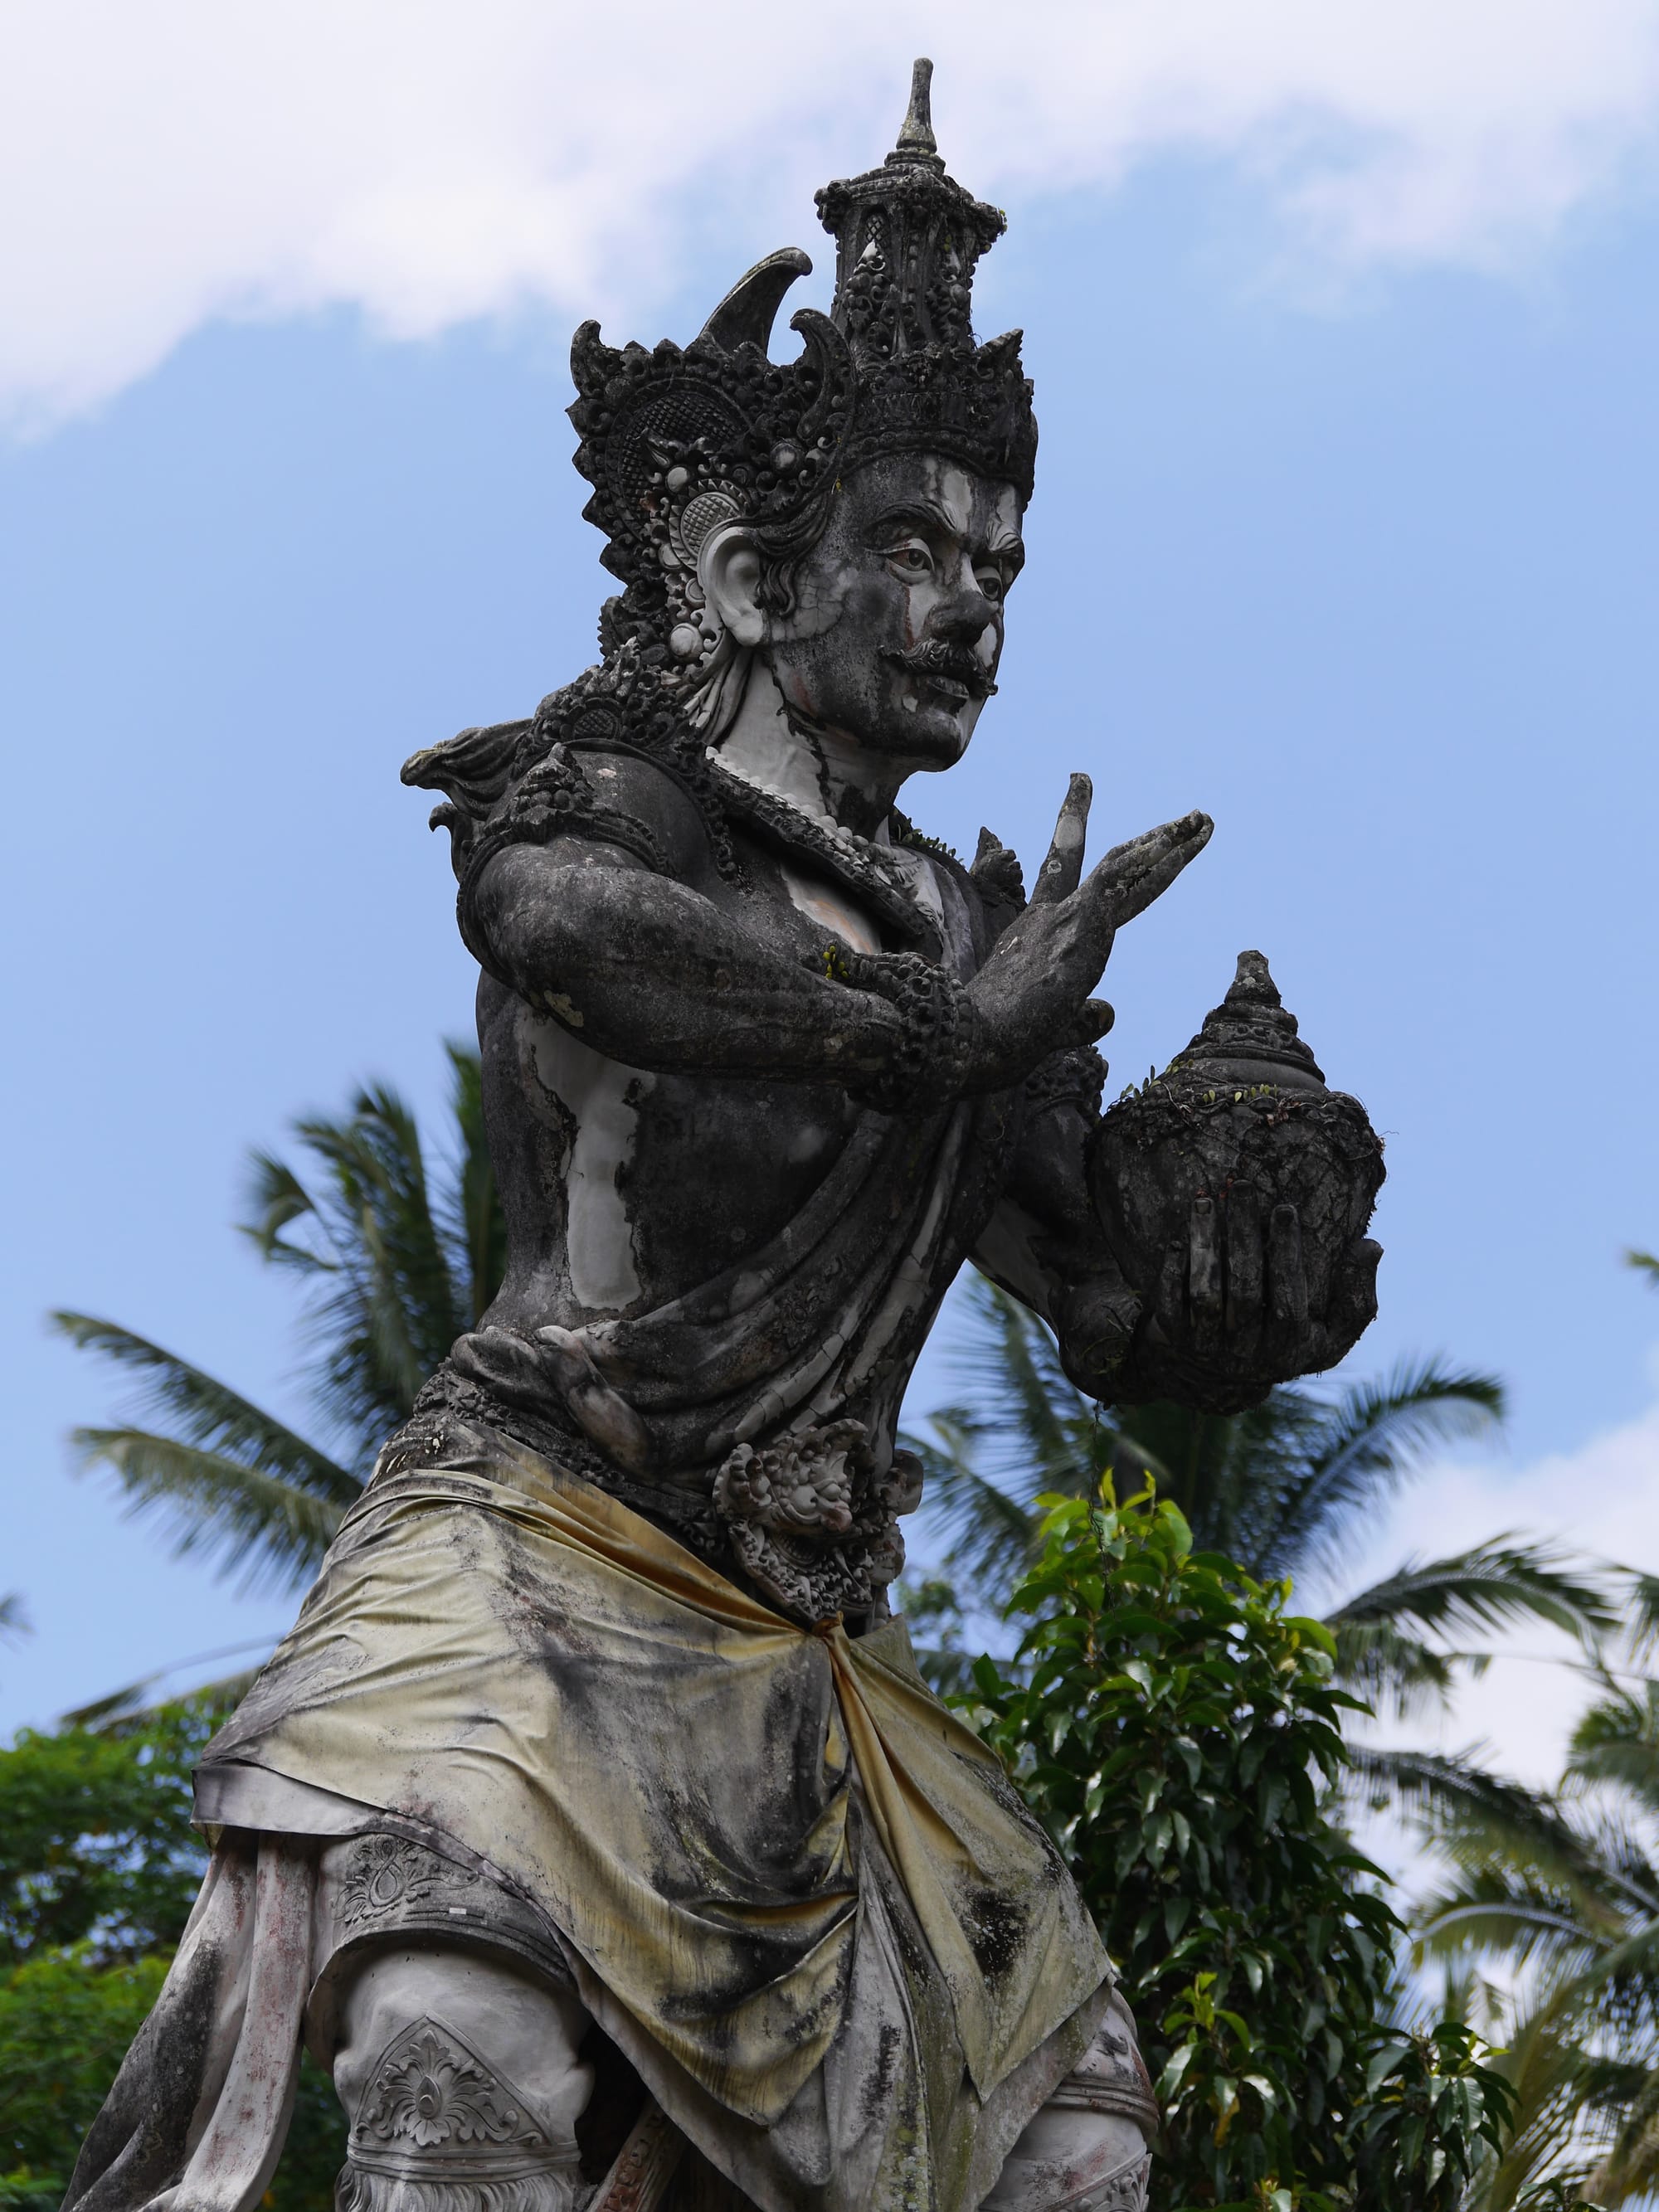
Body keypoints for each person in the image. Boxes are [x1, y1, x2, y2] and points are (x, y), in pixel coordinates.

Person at [66, 62, 1379, 2212]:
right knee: (454, 2037)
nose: (974, 606)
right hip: (528, 1555)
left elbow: (1110, 1307)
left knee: (1073, 2127)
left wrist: (1266, 1262)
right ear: (751, 569)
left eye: (1001, 564)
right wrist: (949, 1031)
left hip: (805, 1649)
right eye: (919, 549)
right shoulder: (615, 811)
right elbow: (559, 932)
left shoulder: (976, 922)